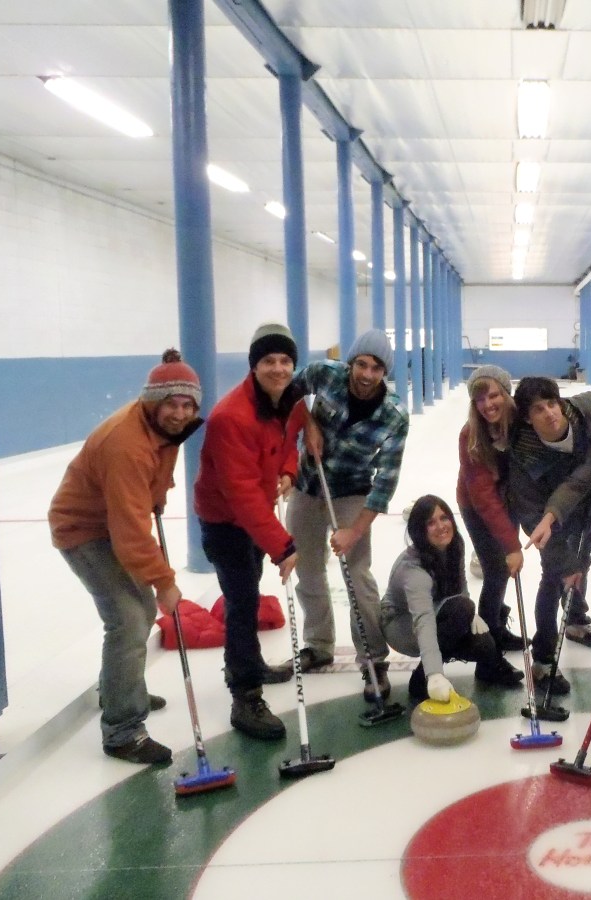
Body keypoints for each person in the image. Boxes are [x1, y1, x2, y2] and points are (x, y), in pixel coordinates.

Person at [49, 350, 203, 765]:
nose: (180, 413)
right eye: (171, 403)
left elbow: (145, 495)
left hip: (110, 522)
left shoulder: (161, 429)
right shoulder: (126, 445)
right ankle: (122, 729)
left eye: (188, 405)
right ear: (153, 401)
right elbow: (130, 532)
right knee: (129, 618)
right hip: (82, 529)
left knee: (139, 608)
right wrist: (165, 581)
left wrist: (155, 497)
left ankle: (119, 687)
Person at [280, 329, 409, 706]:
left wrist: (354, 531)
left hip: (353, 491)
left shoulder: (394, 416)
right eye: (362, 364)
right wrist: (309, 423)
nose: (367, 374)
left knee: (357, 572)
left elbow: (385, 481)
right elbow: (288, 393)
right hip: (307, 484)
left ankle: (374, 659)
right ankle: (318, 644)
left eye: (377, 368)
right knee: (308, 568)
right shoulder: (324, 374)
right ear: (350, 362)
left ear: (385, 372)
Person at [194, 323, 301, 741]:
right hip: (226, 522)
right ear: (254, 366)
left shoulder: (285, 401)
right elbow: (241, 498)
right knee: (241, 603)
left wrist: (288, 471)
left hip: (254, 516)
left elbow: (290, 440)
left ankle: (250, 663)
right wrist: (282, 544)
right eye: (269, 361)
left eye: (285, 361)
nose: (278, 368)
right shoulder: (230, 418)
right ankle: (245, 695)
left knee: (250, 593)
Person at [506, 377, 591, 695]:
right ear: (527, 418)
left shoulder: (578, 410)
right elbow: (530, 515)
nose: (550, 413)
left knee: (583, 561)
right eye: (538, 409)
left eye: (552, 404)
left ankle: (577, 620)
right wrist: (561, 562)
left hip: (588, 503)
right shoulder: (523, 454)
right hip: (547, 520)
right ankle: (543, 661)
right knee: (555, 577)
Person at [380, 496, 523, 704]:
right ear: (420, 530)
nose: (441, 526)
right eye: (431, 523)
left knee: (483, 642)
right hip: (402, 626)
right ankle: (422, 679)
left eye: (444, 518)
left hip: (439, 612)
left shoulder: (455, 545)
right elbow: (424, 621)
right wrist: (434, 673)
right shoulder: (413, 571)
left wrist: (470, 615)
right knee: (460, 611)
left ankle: (490, 667)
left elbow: (460, 587)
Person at [457, 365, 528, 654]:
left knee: (500, 570)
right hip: (475, 505)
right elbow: (483, 496)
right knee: (497, 570)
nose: (488, 405)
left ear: (507, 393)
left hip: (509, 499)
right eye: (480, 400)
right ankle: (487, 640)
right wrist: (512, 545)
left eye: (494, 395)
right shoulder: (470, 435)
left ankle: (496, 624)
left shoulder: (521, 422)